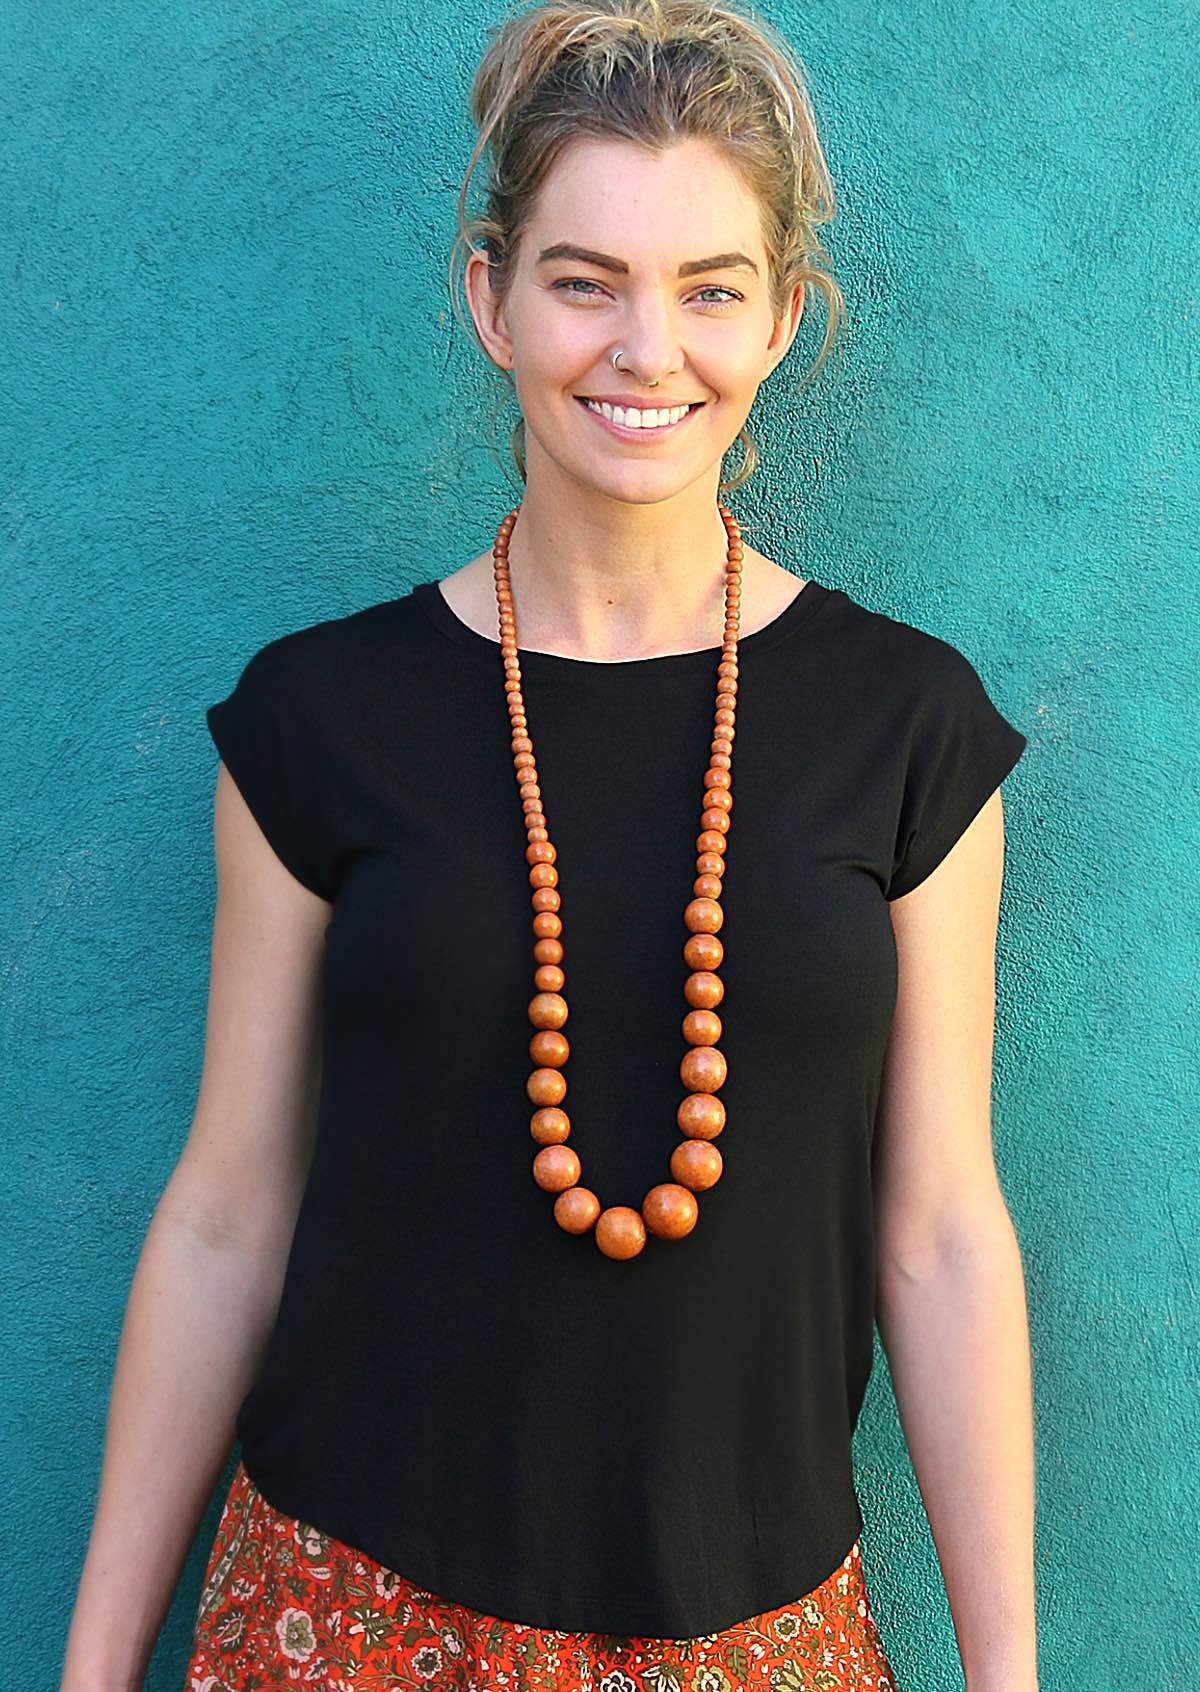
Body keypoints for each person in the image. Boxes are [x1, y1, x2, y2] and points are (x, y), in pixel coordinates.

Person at [61, 2, 1040, 1689]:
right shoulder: (319, 721)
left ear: (782, 319)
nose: (646, 350)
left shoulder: (907, 730)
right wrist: (93, 1666)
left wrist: (1009, 1672)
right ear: (491, 299)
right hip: (338, 1623)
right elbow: (226, 1211)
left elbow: (944, 1229)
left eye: (710, 290)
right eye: (586, 281)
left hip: (761, 1641)